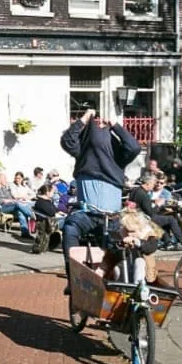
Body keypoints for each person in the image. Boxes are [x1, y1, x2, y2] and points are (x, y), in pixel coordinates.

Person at [59, 107, 142, 257]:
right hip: (86, 214)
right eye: (96, 124)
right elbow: (67, 140)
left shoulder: (118, 155)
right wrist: (85, 118)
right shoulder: (83, 152)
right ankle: (73, 274)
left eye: (103, 125)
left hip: (112, 217)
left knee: (119, 251)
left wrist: (116, 125)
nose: (99, 125)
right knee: (70, 228)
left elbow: (134, 147)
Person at [129, 172, 182, 250]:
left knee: (164, 220)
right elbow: (151, 213)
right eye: (153, 183)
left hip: (135, 217)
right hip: (144, 220)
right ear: (148, 183)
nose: (154, 186)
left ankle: (168, 242)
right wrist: (157, 205)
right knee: (171, 219)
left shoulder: (135, 190)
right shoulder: (143, 195)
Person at [0, 171, 35, 239]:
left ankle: (25, 233)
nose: (6, 181)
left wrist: (11, 200)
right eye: (5, 179)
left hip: (9, 206)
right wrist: (4, 201)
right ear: (0, 180)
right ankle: (32, 215)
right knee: (17, 204)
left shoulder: (4, 188)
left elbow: (10, 198)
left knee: (20, 211)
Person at [31, 183, 63, 254]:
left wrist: (59, 212)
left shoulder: (47, 201)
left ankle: (47, 245)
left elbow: (54, 209)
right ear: (47, 192)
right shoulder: (41, 202)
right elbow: (51, 212)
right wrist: (56, 213)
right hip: (45, 222)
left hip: (50, 221)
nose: (53, 193)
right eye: (52, 192)